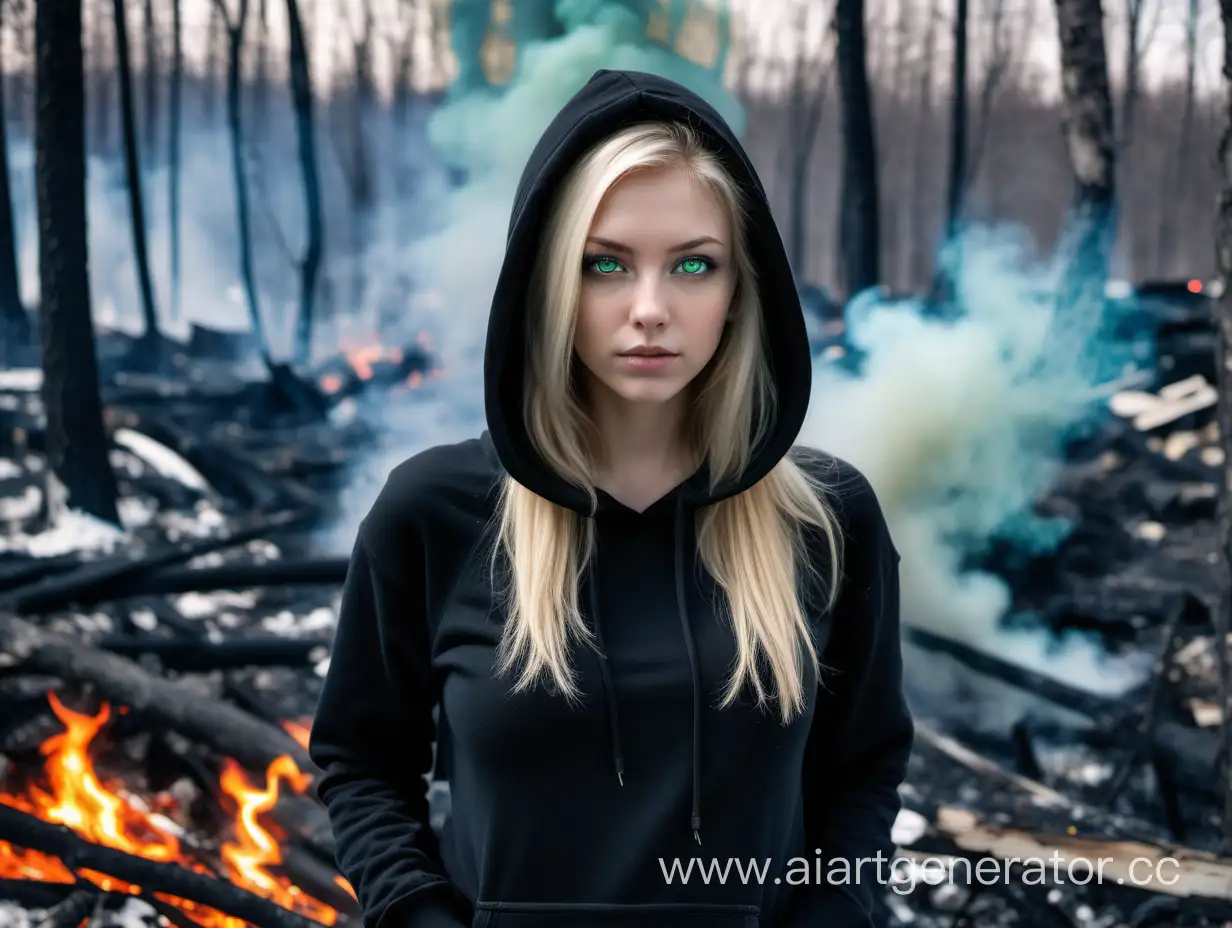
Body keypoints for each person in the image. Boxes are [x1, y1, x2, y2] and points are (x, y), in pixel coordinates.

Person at [309, 69, 913, 928]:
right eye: (605, 265)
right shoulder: (434, 512)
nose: (650, 310)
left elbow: (864, 767)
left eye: (694, 265)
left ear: (743, 291)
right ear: (549, 281)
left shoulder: (826, 519)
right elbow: (361, 760)